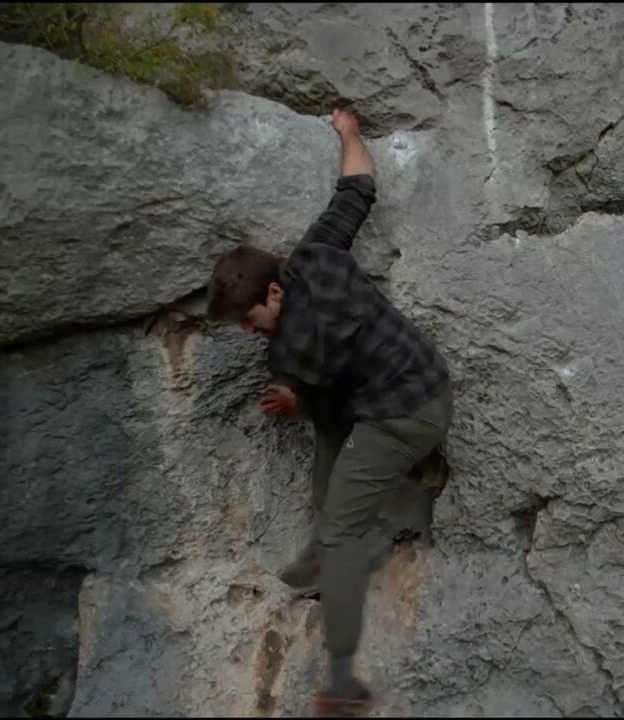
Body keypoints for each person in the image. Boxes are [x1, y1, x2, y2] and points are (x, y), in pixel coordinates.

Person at [205, 107, 453, 714]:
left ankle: (343, 681)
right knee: (331, 466)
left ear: (273, 293)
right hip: (422, 375)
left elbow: (327, 407)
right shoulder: (315, 256)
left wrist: (294, 398)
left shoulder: (289, 350)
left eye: (248, 319)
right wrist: (349, 133)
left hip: (401, 415)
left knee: (341, 526)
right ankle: (398, 479)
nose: (247, 331)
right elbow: (358, 188)